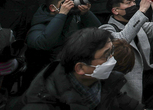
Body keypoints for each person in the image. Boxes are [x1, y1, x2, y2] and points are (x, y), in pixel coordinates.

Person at [15, 27, 144, 110]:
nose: (112, 60)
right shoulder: (43, 104)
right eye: (106, 56)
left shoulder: (105, 82)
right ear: (80, 68)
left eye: (112, 52)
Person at [100, 0, 153, 108]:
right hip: (126, 80)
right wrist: (141, 11)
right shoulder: (106, 28)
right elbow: (121, 40)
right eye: (128, 3)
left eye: (133, 1)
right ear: (115, 10)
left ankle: (152, 106)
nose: (133, 5)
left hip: (143, 71)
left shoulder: (137, 22)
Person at [25, 0, 102, 78]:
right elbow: (43, 43)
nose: (71, 4)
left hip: (70, 69)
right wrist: (61, 15)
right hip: (46, 74)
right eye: (66, 2)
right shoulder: (40, 23)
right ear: (52, 8)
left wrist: (86, 14)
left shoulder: (73, 18)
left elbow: (98, 33)